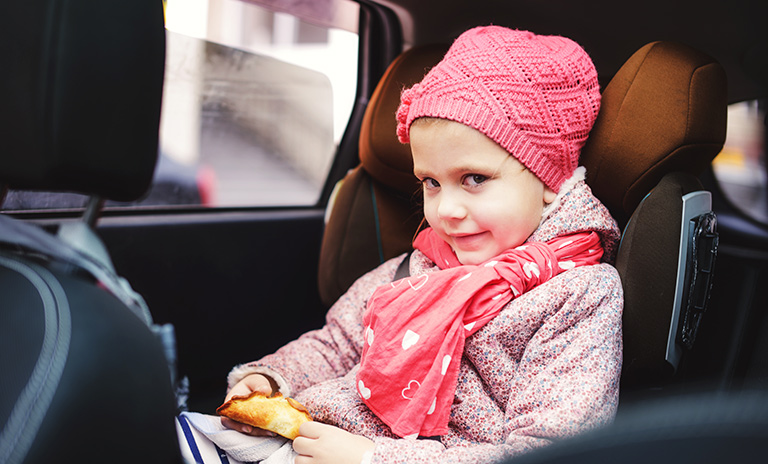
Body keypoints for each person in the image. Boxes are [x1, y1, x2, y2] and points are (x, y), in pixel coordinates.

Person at [221, 26, 622, 464]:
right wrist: (272, 378)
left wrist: (375, 459)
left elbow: (552, 453)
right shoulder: (418, 267)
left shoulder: (577, 296)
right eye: (431, 182)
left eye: (475, 179)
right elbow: (337, 344)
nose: (446, 209)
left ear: (548, 178)